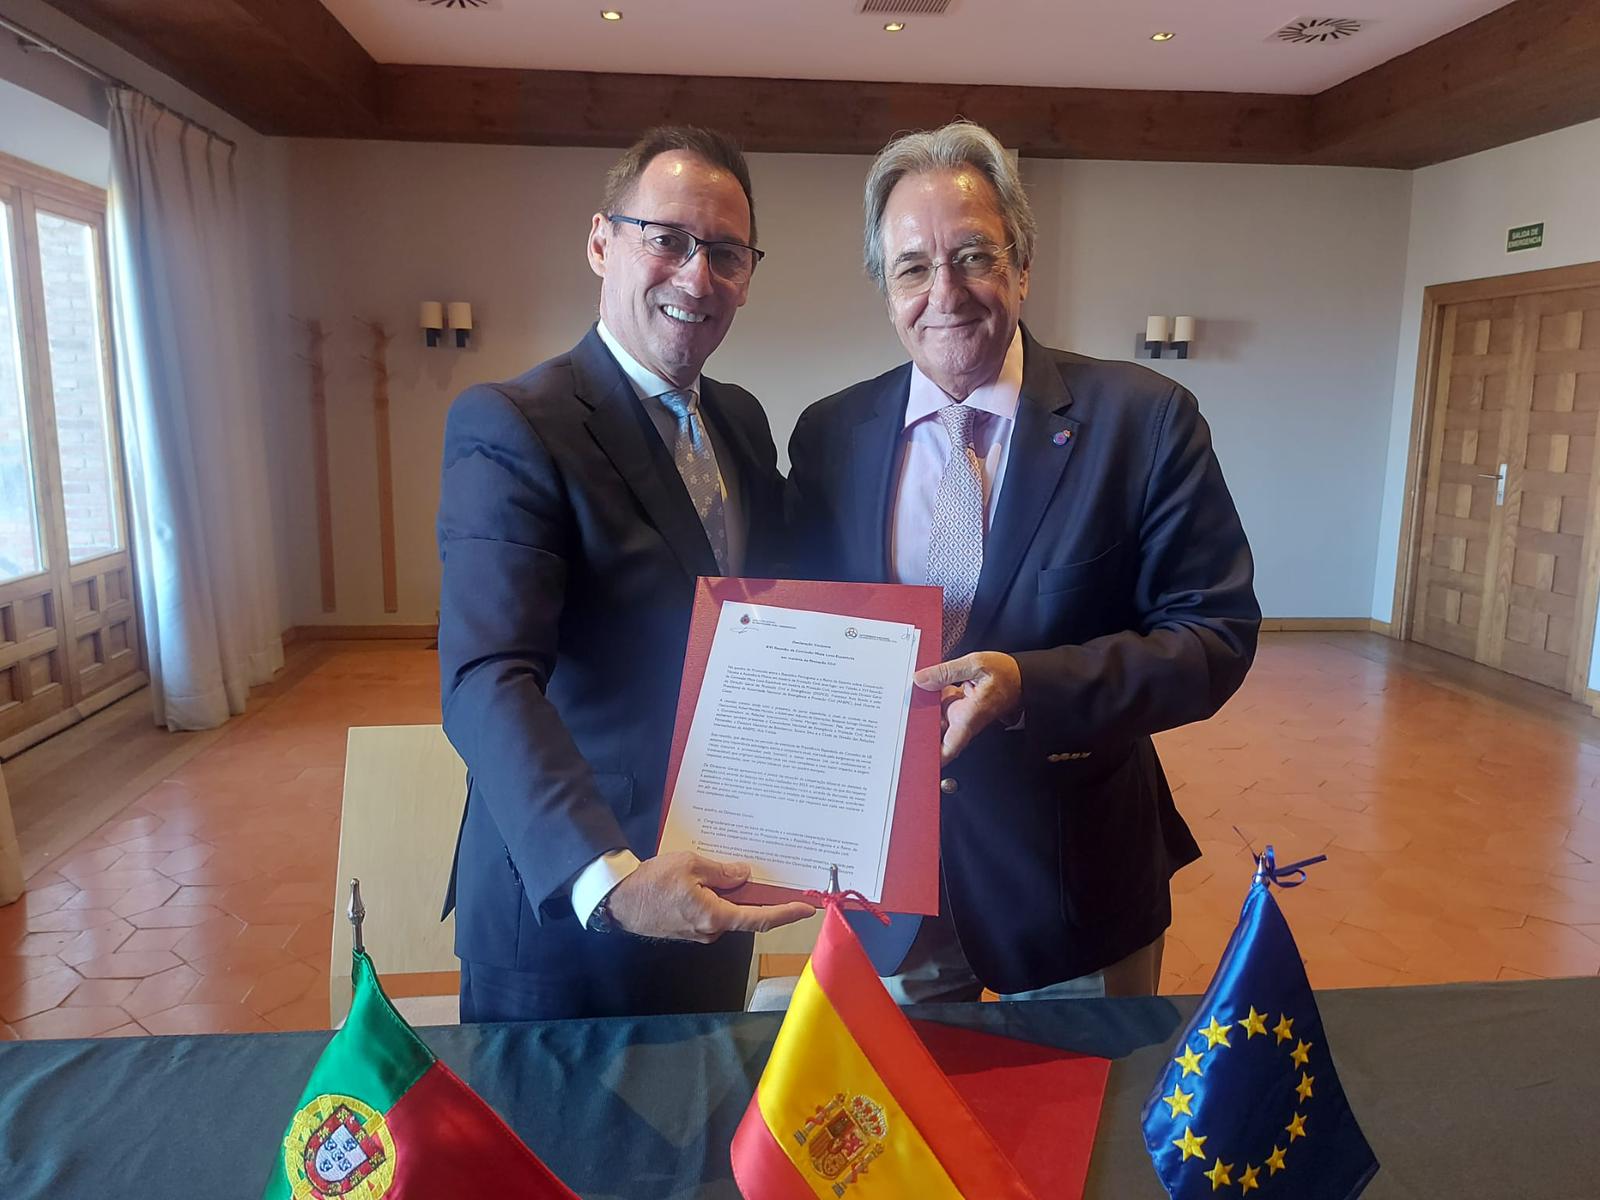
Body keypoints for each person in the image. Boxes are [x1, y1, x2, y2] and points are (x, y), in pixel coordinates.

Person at [787, 120, 1260, 1002]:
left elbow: (1214, 639)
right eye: (913, 267)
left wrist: (1025, 687)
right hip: (892, 890)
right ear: (885, 288)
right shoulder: (830, 436)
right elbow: (803, 635)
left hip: (1075, 889)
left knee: (1092, 1097)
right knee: (906, 1097)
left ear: (1023, 266)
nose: (946, 292)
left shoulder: (1144, 420)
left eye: (973, 256)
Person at [436, 126, 813, 1022]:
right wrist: (607, 880)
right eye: (668, 239)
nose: (697, 276)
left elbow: (770, 619)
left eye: (726, 252)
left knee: (708, 1108)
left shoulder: (741, 421)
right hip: (570, 914)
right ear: (602, 242)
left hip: (711, 883)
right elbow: (487, 676)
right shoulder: (513, 423)